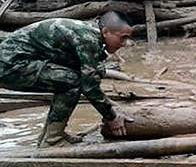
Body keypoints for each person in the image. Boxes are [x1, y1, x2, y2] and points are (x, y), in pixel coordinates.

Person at [0, 13, 132, 146]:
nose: (125, 44)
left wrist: (110, 105)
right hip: (10, 66)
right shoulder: (88, 38)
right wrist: (112, 117)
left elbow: (90, 73)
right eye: (123, 38)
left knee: (71, 78)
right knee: (72, 82)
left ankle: (50, 135)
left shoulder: (89, 32)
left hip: (15, 62)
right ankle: (53, 139)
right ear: (105, 32)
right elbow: (89, 86)